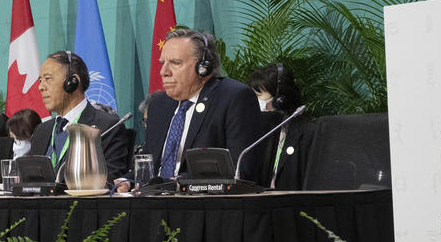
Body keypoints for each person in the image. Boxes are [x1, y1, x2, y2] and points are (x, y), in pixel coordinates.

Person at [145, 28, 261, 181]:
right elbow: (146, 167)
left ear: (203, 68)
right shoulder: (159, 104)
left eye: (175, 63)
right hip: (153, 199)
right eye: (162, 63)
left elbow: (239, 169)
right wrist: (126, 181)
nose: (163, 71)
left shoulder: (233, 97)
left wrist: (176, 183)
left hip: (202, 200)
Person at [29, 51, 129, 181]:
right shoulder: (41, 131)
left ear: (73, 82)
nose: (41, 87)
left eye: (48, 79)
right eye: (40, 80)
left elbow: (109, 180)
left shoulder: (107, 127)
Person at [248, 62, 311, 190]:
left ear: (280, 99)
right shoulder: (257, 129)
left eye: (258, 95)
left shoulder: (306, 131)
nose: (254, 101)